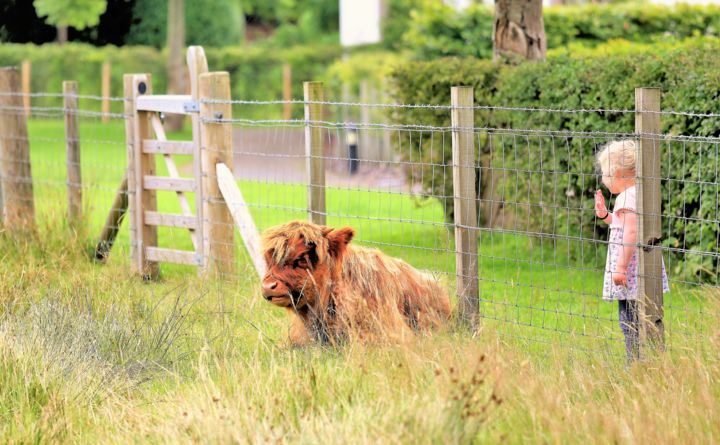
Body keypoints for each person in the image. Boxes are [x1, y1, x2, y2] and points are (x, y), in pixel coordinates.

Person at [595, 140, 669, 363]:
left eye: (606, 175)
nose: (603, 180)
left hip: (630, 274)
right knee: (644, 317)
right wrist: (606, 216)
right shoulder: (638, 193)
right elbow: (622, 227)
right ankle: (649, 360)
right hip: (639, 269)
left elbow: (630, 233)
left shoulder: (626, 197)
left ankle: (634, 363)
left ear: (619, 173)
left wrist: (620, 267)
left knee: (628, 320)